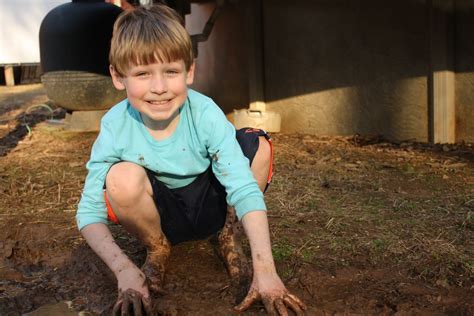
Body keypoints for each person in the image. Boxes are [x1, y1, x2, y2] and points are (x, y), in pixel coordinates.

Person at [76, 4, 306, 315]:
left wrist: (266, 269)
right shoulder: (115, 126)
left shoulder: (205, 112)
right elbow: (89, 213)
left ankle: (229, 235)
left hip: (213, 202)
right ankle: (157, 249)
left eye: (171, 72)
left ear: (190, 71)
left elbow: (243, 187)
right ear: (118, 77)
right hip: (163, 213)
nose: (159, 88)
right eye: (142, 74)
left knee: (257, 143)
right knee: (121, 177)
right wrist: (124, 271)